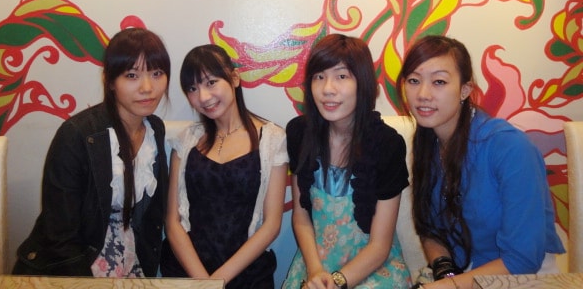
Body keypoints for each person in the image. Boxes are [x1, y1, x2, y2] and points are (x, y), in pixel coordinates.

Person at [396, 35, 565, 289]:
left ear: (465, 90)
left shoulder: (510, 147)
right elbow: (430, 229)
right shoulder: (428, 142)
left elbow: (522, 260)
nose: (423, 94)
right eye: (413, 80)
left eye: (439, 82)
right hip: (464, 274)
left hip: (522, 278)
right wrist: (445, 271)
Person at [12, 27, 171, 277]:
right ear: (110, 81)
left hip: (131, 257)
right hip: (76, 263)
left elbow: (153, 217)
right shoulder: (77, 134)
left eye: (157, 73)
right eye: (132, 75)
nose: (147, 87)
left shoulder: (155, 129)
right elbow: (60, 233)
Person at [284, 34, 411, 289]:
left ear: (363, 83)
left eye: (341, 76)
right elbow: (301, 217)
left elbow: (380, 245)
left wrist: (337, 282)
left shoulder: (387, 145)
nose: (327, 89)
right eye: (319, 76)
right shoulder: (299, 133)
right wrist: (315, 270)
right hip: (316, 263)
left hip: (371, 267)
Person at [161, 44, 288, 289]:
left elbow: (271, 225)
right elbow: (173, 221)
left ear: (234, 78)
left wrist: (217, 281)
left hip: (247, 275)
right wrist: (203, 282)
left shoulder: (272, 139)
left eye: (211, 82)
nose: (203, 97)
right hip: (188, 271)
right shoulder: (186, 141)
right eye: (192, 88)